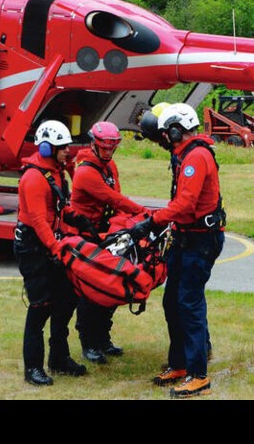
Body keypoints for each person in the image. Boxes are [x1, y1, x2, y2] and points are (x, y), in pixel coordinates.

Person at [131, 102, 225, 398]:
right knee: (173, 302)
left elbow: (185, 204)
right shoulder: (184, 155)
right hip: (187, 238)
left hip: (200, 240)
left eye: (167, 133)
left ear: (176, 130)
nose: (164, 139)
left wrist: (151, 222)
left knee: (188, 303)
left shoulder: (196, 157)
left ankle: (199, 376)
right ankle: (180, 363)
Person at [66, 121, 151, 365]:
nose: (108, 152)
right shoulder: (85, 172)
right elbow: (114, 199)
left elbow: (116, 199)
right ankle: (88, 343)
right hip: (84, 236)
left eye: (111, 148)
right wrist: (145, 214)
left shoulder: (109, 166)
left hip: (103, 234)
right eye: (104, 148)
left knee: (111, 287)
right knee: (91, 292)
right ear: (94, 144)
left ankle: (102, 339)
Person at [14, 119, 88, 386]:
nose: (69, 151)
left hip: (49, 243)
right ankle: (32, 367)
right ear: (46, 148)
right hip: (34, 246)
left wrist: (76, 219)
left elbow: (55, 208)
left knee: (66, 300)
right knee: (40, 306)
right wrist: (56, 248)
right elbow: (37, 219)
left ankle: (59, 358)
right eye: (63, 147)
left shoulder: (54, 172)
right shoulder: (33, 177)